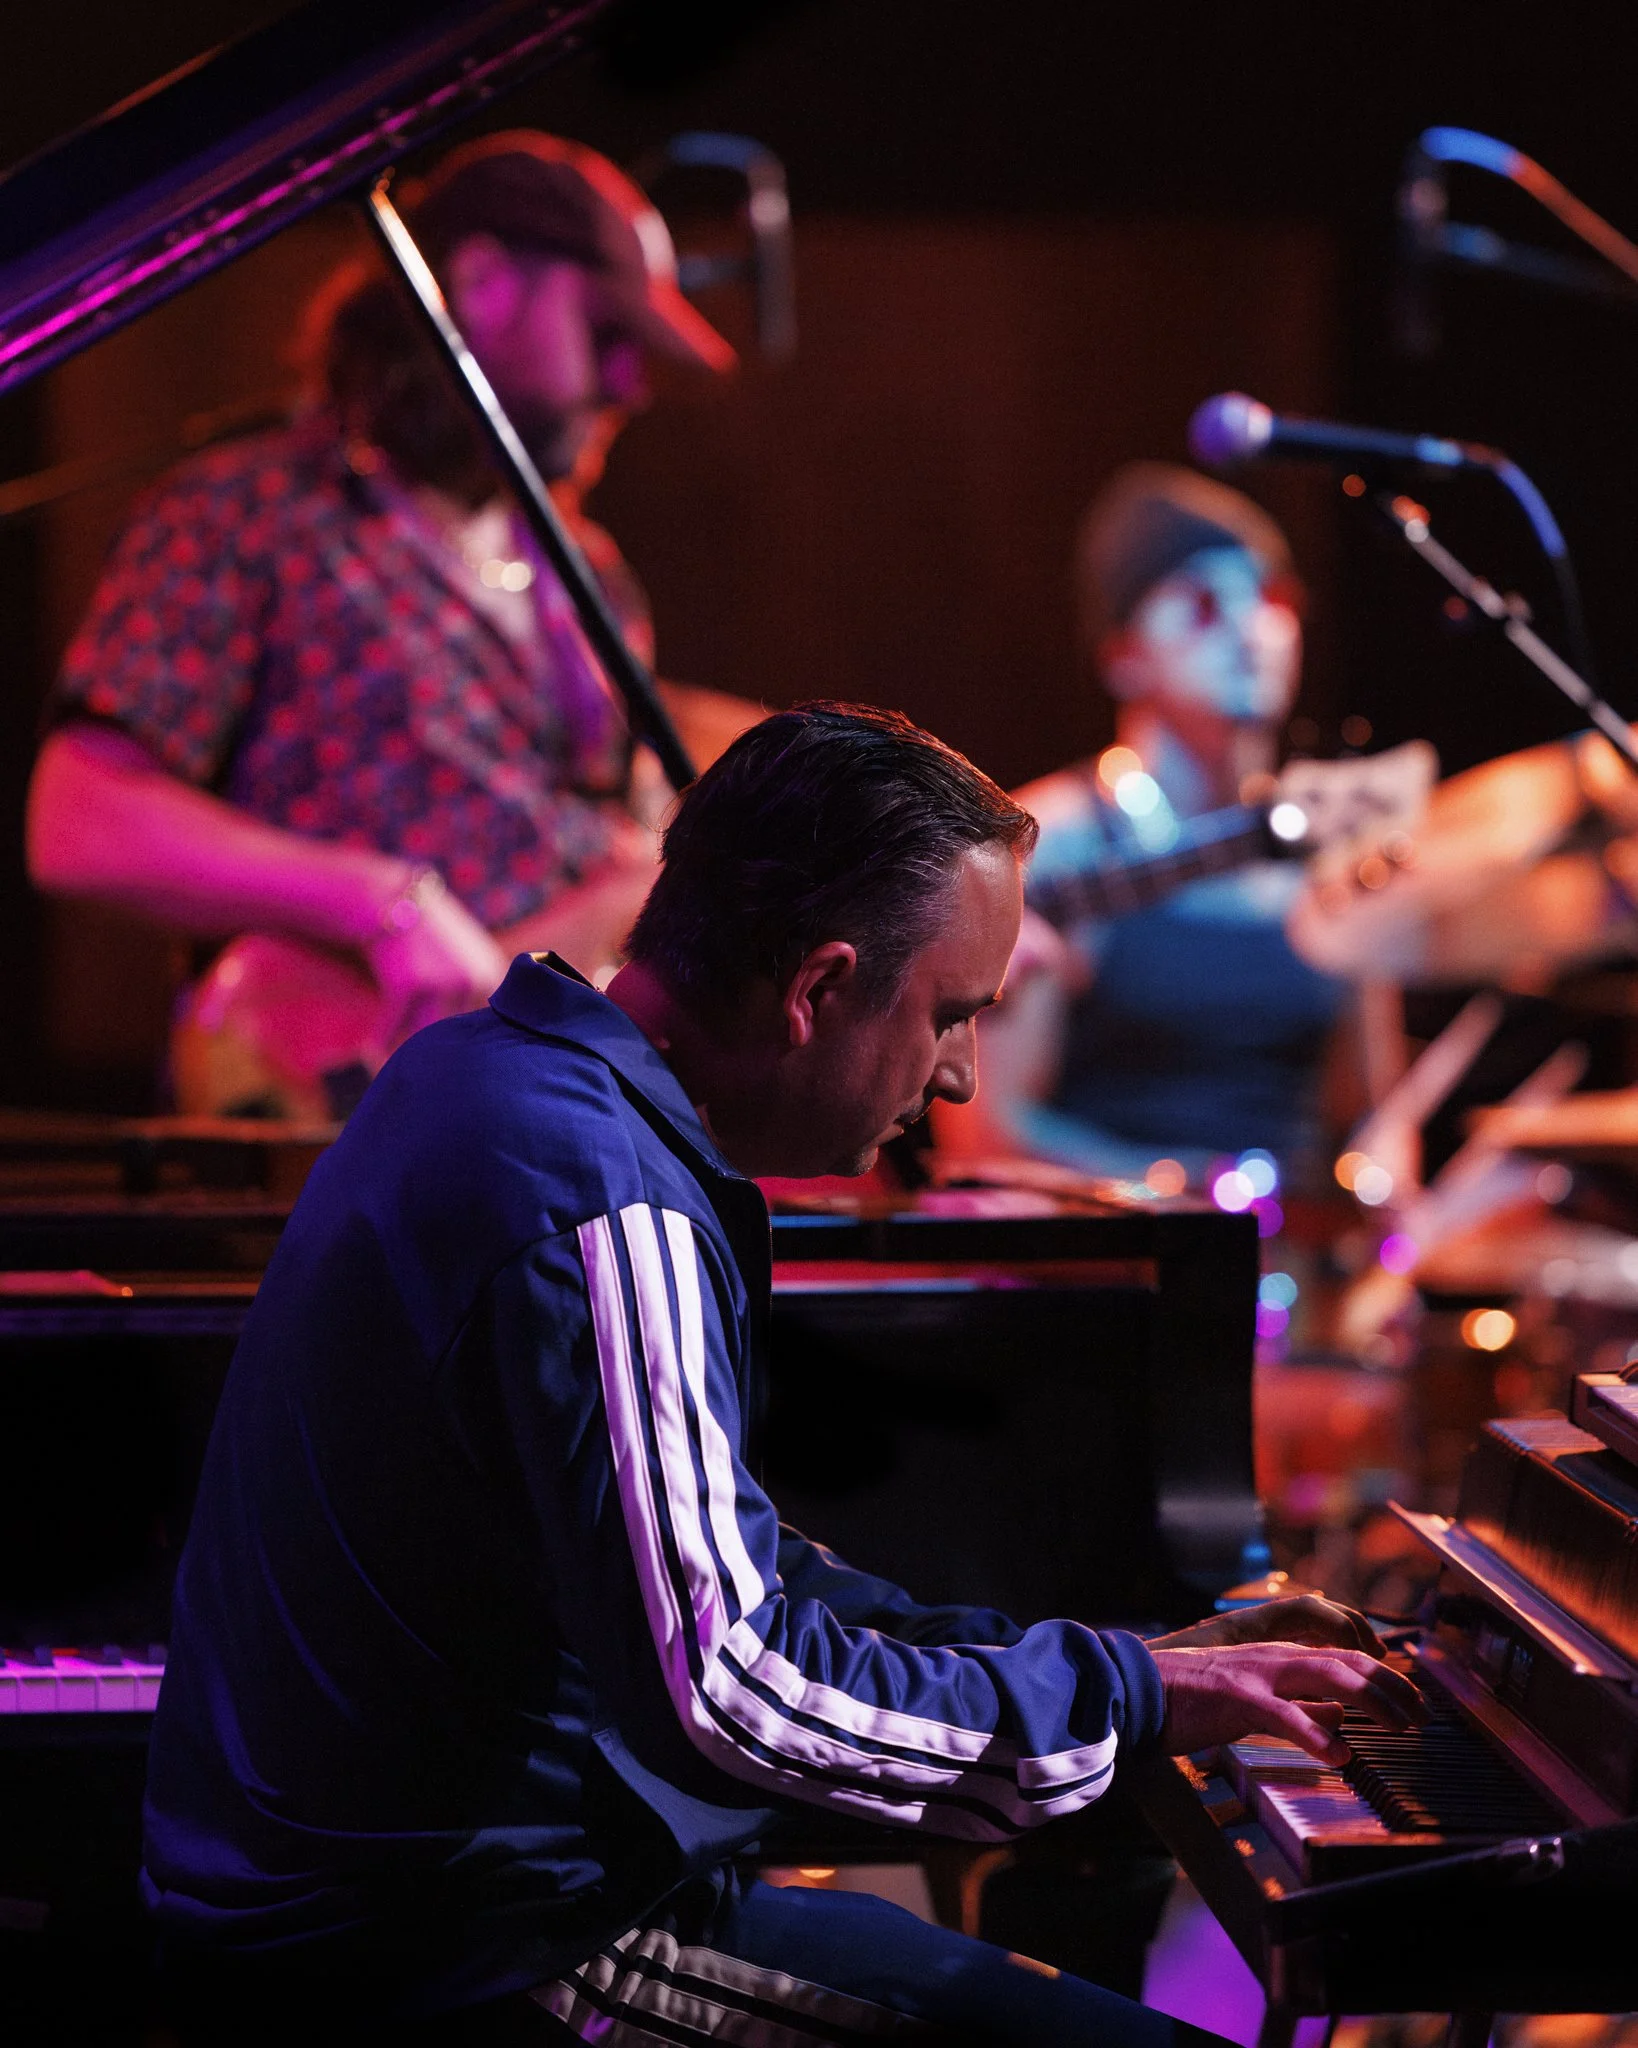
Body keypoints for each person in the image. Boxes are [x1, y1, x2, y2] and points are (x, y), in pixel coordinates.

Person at [142, 703, 1424, 2044]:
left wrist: (1119, 1669)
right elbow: (732, 1691)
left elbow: (740, 1582)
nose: (957, 1071)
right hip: (444, 1960)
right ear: (817, 989)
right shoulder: (595, 1196)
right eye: (947, 1016)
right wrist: (1128, 1701)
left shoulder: (480, 1078)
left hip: (411, 1908)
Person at [25, 131, 751, 1115]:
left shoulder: (588, 573)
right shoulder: (248, 513)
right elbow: (79, 818)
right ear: (485, 282)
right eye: (605, 332)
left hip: (556, 1111)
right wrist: (380, 900)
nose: (629, 384)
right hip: (339, 1108)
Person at [953, 463, 1348, 1191]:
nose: (1251, 630)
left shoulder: (1332, 844)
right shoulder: (1051, 846)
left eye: (1270, 599)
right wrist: (1178, 1191)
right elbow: (987, 1134)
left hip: (1297, 1275)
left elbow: (1372, 1117)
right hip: (1120, 1267)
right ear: (1124, 656)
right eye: (1202, 604)